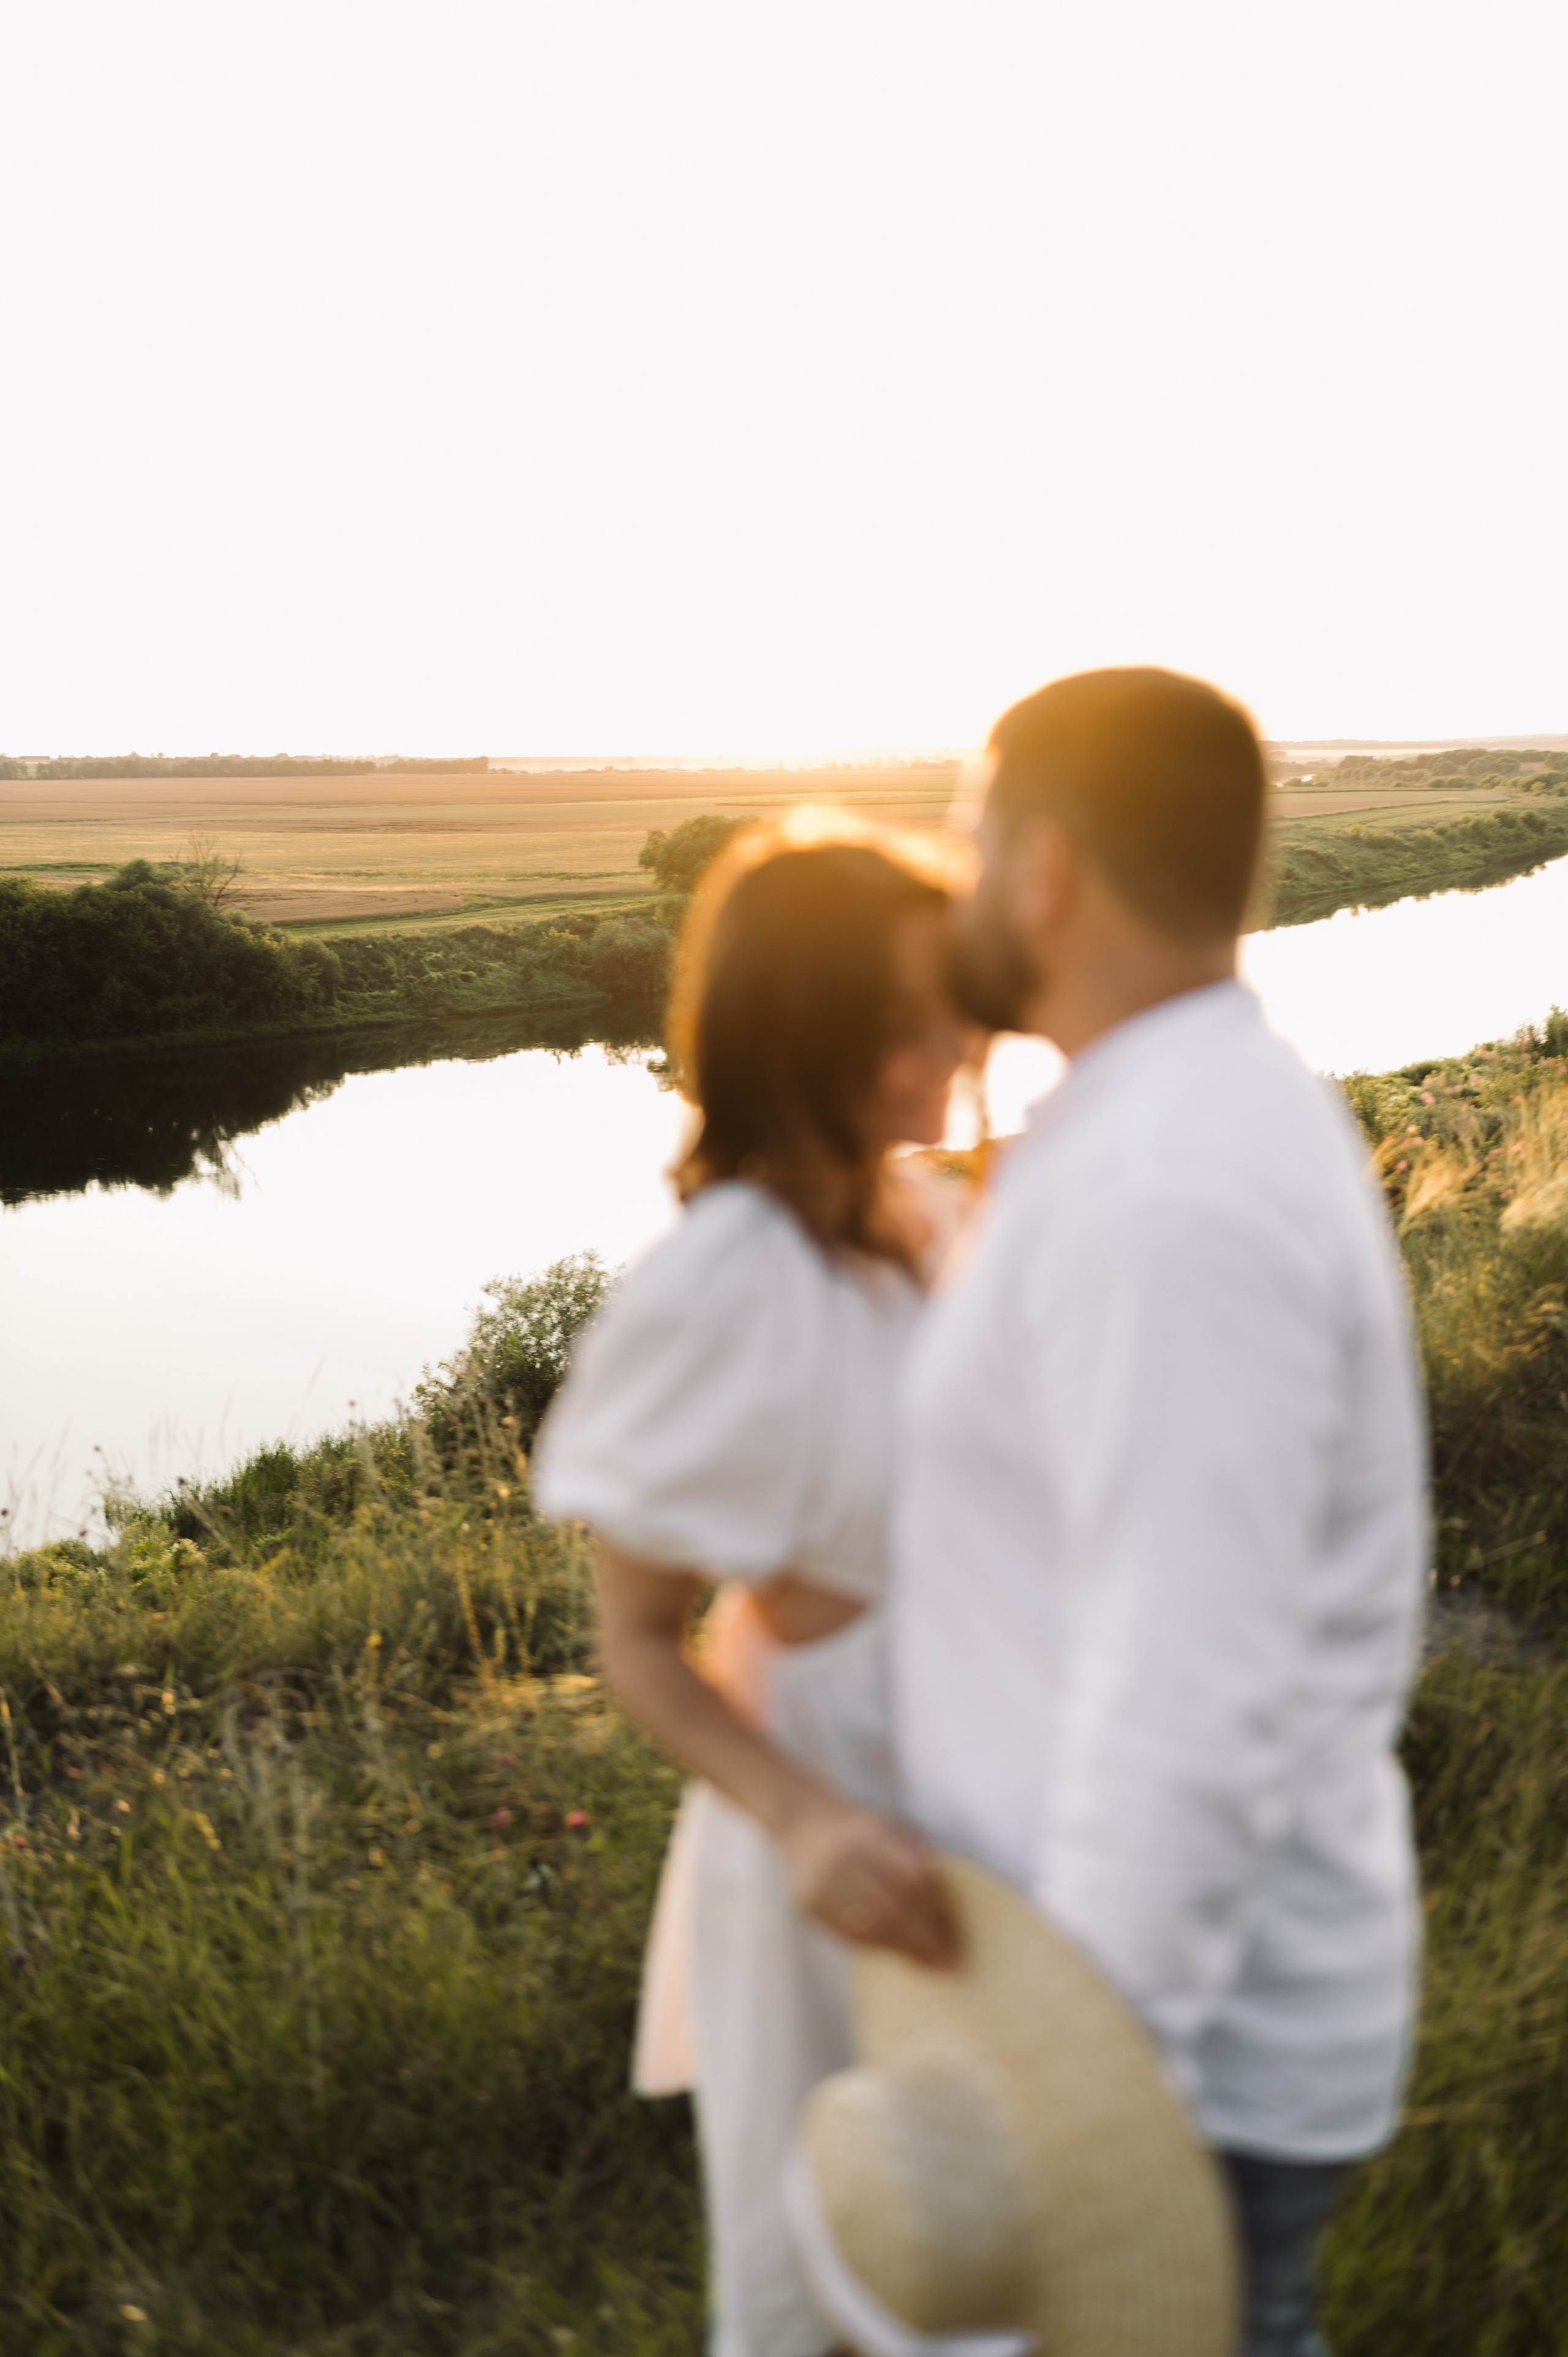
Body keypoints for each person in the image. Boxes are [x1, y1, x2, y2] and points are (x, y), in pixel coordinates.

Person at [887, 669, 1428, 2357]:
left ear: (1044, 869)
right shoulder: (1153, 1130)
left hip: (1162, 2060)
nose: (957, 876)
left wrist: (1075, 2100)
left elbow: (1189, 1692)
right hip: (1133, 2012)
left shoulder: (1167, 1194)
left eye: (973, 838)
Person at [532, 816, 970, 2357]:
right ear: (813, 1031)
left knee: (983, 2250)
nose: (955, 1039)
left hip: (972, 1788)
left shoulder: (918, 1216)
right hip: (828, 1811)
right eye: (911, 1013)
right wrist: (806, 1818)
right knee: (836, 2268)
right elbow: (638, 1645)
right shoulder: (719, 1285)